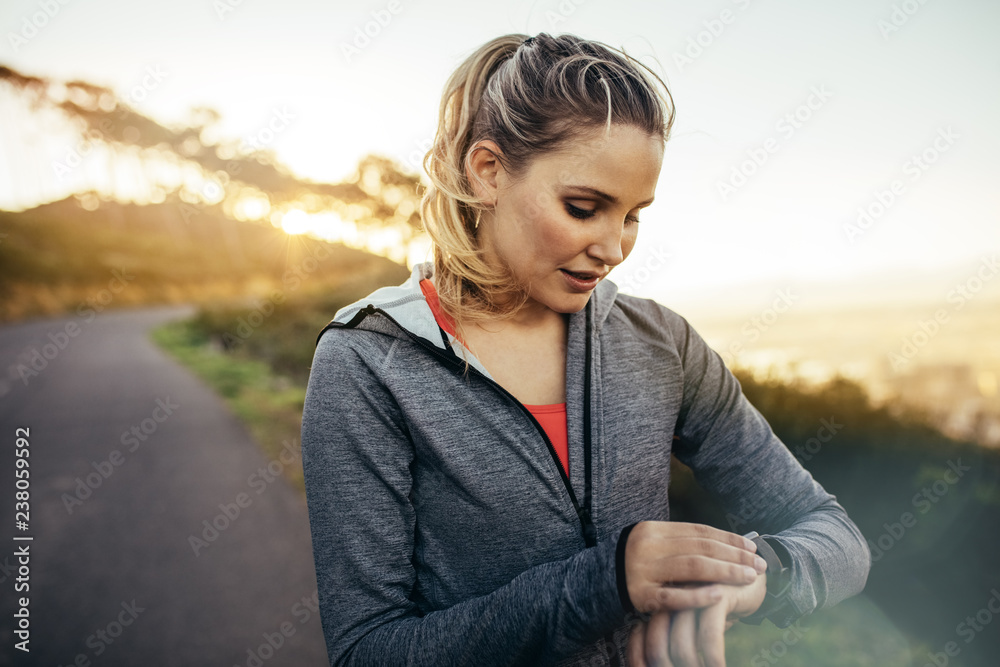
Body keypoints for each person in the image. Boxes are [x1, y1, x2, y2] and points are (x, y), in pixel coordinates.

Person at [300, 32, 870, 667]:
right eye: (583, 208)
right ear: (486, 172)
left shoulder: (663, 344)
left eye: (631, 214)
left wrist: (747, 577)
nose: (614, 247)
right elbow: (367, 650)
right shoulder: (367, 364)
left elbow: (836, 536)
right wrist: (606, 582)